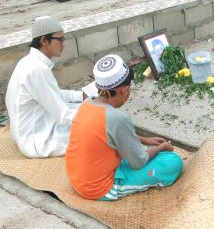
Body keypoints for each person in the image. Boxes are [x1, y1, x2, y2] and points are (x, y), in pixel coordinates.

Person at [65, 54, 183, 200]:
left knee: (146, 152)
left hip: (77, 178)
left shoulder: (87, 103)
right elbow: (139, 162)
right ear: (123, 90)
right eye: (129, 89)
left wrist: (145, 140)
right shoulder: (118, 118)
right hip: (99, 187)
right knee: (173, 162)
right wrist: (162, 147)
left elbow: (107, 135)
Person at [5, 16, 86, 158]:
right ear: (44, 41)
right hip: (36, 140)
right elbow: (63, 116)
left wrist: (81, 96)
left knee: (87, 107)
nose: (63, 44)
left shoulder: (29, 62)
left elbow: (54, 95)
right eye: (60, 39)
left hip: (30, 129)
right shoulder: (37, 69)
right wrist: (97, 119)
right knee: (98, 130)